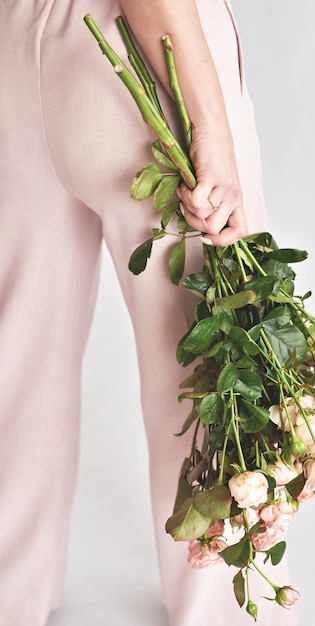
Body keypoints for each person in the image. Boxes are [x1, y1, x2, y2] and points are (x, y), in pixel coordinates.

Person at [0, 1, 298, 624]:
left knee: (17, 355)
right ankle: (224, 615)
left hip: (12, 40)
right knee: (207, 361)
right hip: (140, 43)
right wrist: (209, 118)